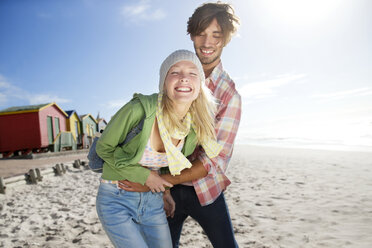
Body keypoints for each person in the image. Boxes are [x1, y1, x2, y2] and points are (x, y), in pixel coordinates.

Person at [119, 2, 241, 248]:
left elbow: (211, 162)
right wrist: (162, 188)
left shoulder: (229, 95)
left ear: (225, 40)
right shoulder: (173, 78)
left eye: (216, 35)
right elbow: (158, 137)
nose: (207, 43)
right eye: (201, 33)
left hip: (205, 189)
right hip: (167, 189)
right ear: (192, 35)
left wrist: (155, 182)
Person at [95, 49, 222, 248]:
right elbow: (103, 148)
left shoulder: (194, 129)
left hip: (153, 202)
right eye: (175, 72)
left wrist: (165, 192)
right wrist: (145, 176)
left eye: (192, 73)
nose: (184, 78)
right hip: (116, 199)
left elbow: (170, 163)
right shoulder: (138, 110)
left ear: (200, 86)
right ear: (164, 82)